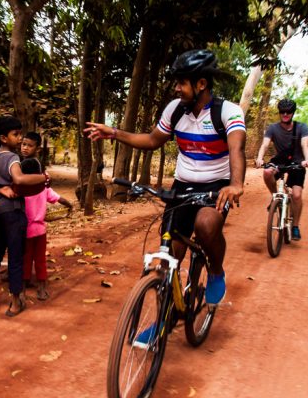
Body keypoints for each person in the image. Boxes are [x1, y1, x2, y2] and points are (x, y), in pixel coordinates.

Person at [83, 48, 246, 313]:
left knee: (206, 225)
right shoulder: (175, 110)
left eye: (182, 82)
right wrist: (113, 132)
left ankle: (215, 271)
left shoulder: (228, 112)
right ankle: (162, 321)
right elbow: (152, 140)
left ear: (201, 84)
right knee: (168, 255)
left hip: (216, 186)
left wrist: (236, 185)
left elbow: (236, 149)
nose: (176, 88)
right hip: (182, 185)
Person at [0, 116, 48, 317]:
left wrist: (1, 191)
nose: (19, 139)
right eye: (16, 135)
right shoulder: (12, 158)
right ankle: (16, 302)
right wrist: (43, 177)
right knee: (17, 256)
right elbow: (19, 178)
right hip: (15, 213)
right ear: (3, 137)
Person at [255, 98, 308, 240]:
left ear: (293, 113)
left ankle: (296, 226)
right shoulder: (273, 128)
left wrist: (307, 159)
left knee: (297, 195)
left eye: (288, 112)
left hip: (297, 164)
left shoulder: (302, 127)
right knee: (267, 171)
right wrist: (260, 158)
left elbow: (305, 145)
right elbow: (264, 145)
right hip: (280, 161)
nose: (285, 114)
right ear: (279, 113)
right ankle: (276, 198)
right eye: (282, 112)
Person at [19, 151, 72, 301]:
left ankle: (24, 284)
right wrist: (70, 205)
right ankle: (41, 287)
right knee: (40, 258)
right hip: (40, 230)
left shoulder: (21, 190)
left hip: (25, 231)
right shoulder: (43, 188)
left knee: (26, 258)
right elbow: (58, 198)